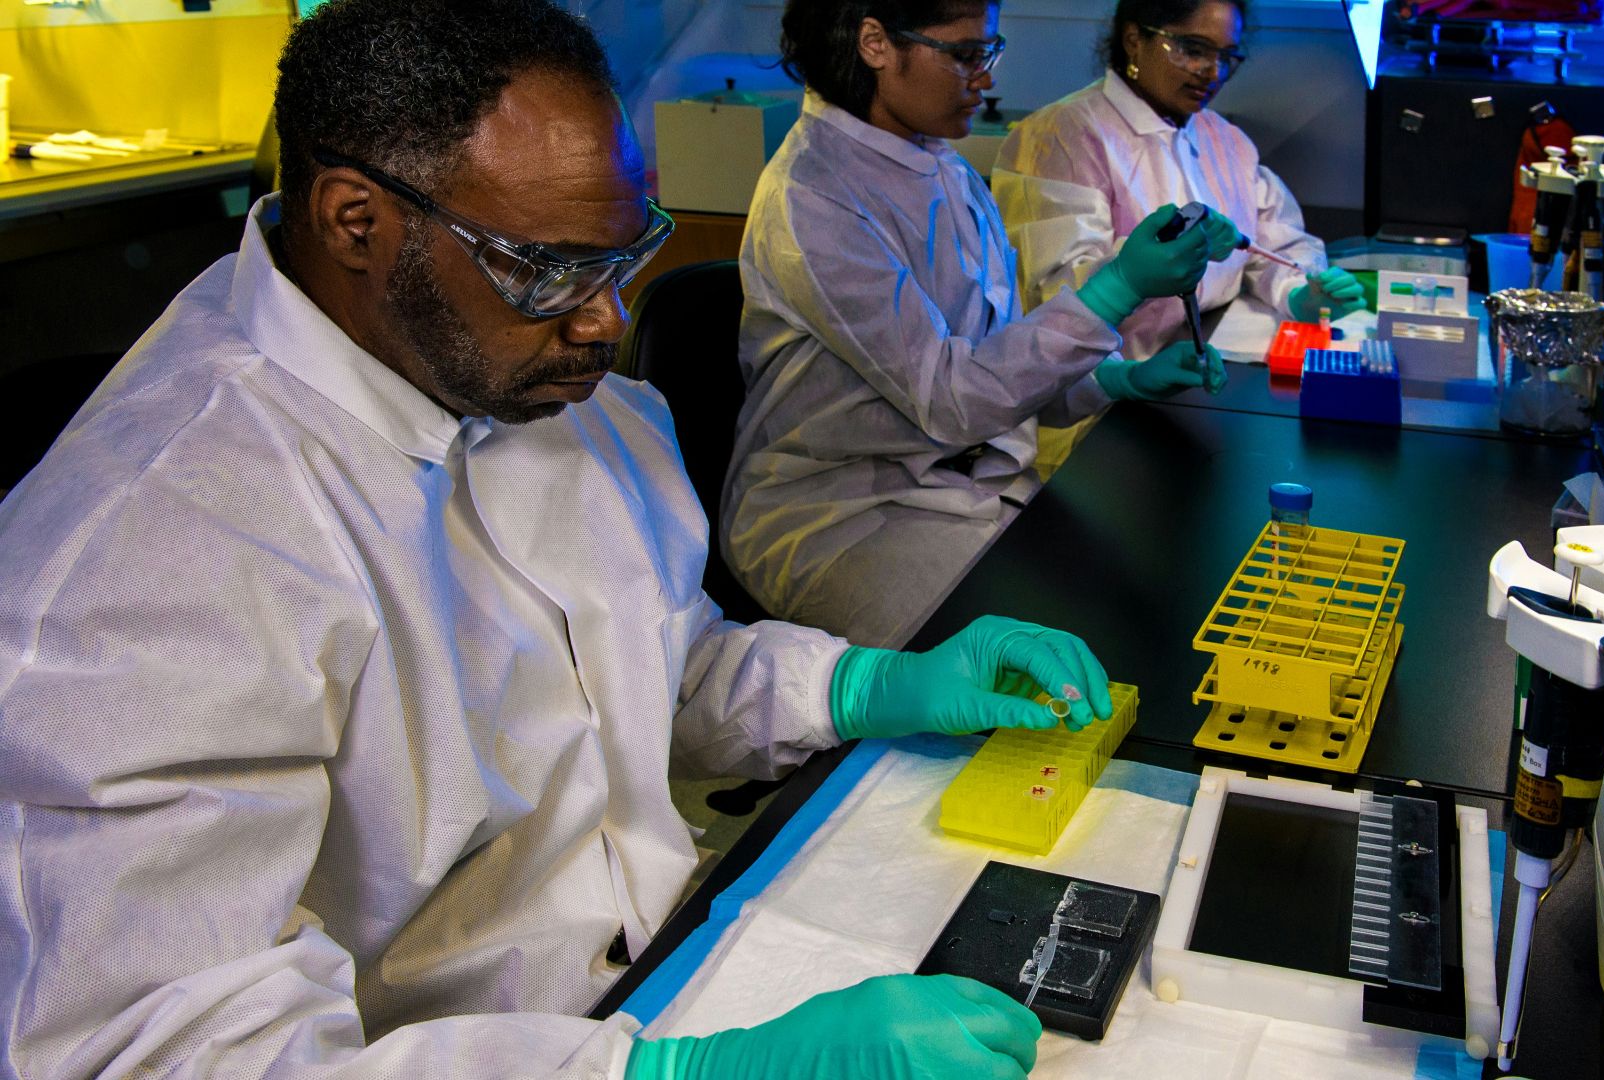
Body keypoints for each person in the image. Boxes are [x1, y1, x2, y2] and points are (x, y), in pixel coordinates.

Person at [0, 2, 1119, 1077]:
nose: (607, 321)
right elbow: (162, 1049)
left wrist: (866, 685)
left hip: (665, 969)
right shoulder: (151, 553)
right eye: (547, 270)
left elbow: (648, 668)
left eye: (626, 255)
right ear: (355, 220)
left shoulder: (548, 389)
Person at [723, 0, 1241, 649]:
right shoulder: (814, 198)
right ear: (875, 42)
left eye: (989, 52)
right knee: (1049, 668)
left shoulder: (943, 165)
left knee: (1156, 605)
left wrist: (1120, 379)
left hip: (969, 486)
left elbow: (1002, 368)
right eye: (966, 55)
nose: (986, 78)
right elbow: (955, 401)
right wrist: (1120, 288)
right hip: (848, 517)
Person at [993, 0, 1365, 361]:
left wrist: (1301, 292)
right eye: (1193, 49)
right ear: (1135, 39)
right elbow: (1055, 297)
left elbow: (1272, 244)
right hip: (1101, 386)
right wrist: (1156, 258)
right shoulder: (1062, 137)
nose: (1213, 71)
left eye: (1227, 57)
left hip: (1203, 358)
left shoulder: (1224, 140)